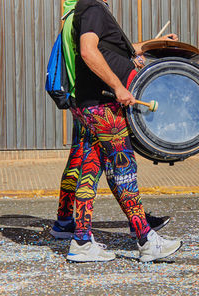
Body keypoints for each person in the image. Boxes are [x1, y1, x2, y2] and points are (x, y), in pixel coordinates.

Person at [59, 0, 182, 263]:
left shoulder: (83, 9)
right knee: (124, 169)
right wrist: (118, 86)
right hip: (103, 105)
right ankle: (147, 240)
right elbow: (89, 52)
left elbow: (113, 51)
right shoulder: (92, 8)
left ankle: (81, 241)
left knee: (90, 171)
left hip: (90, 105)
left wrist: (150, 45)